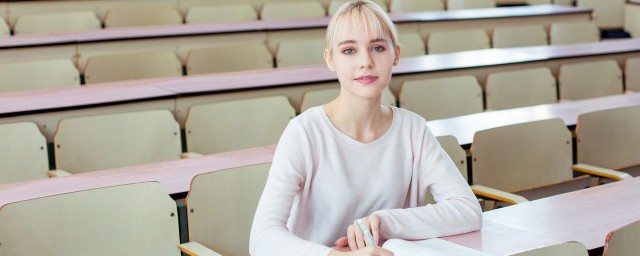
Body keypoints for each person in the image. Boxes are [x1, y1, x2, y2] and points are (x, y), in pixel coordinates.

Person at [249, 1, 482, 255]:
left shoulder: (413, 129)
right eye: (349, 50)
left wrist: (385, 222)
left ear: (395, 55)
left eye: (378, 47)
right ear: (330, 59)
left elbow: (467, 210)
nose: (366, 61)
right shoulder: (304, 133)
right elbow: (262, 237)